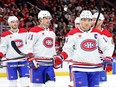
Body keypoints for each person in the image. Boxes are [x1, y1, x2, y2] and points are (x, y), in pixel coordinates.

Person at [53, 10, 114, 87]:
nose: (87, 22)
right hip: (79, 69)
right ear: (80, 20)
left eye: (89, 20)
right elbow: (67, 50)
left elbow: (106, 47)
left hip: (95, 69)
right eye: (84, 20)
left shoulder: (97, 33)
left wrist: (107, 58)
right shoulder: (73, 34)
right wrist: (61, 57)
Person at [25, 10, 56, 87]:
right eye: (46, 18)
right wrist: (31, 59)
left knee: (51, 85)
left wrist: (55, 57)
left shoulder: (52, 32)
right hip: (38, 64)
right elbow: (29, 47)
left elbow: (53, 48)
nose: (48, 20)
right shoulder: (33, 31)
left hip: (49, 65)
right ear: (40, 20)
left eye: (49, 18)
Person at [0, 16, 29, 87]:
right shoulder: (5, 35)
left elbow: (30, 43)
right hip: (11, 61)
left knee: (25, 82)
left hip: (23, 60)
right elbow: (3, 48)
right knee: (12, 83)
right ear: (9, 24)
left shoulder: (24, 32)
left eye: (16, 22)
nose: (15, 23)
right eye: (12, 22)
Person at [92, 12, 114, 83]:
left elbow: (110, 47)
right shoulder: (88, 32)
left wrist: (107, 58)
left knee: (101, 83)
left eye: (97, 19)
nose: (95, 21)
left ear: (101, 21)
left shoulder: (107, 34)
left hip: (101, 63)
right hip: (89, 62)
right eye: (94, 19)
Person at [66, 17, 80, 87]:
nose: (78, 25)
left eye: (79, 24)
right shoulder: (70, 34)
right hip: (73, 61)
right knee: (73, 81)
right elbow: (67, 48)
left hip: (82, 62)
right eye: (77, 24)